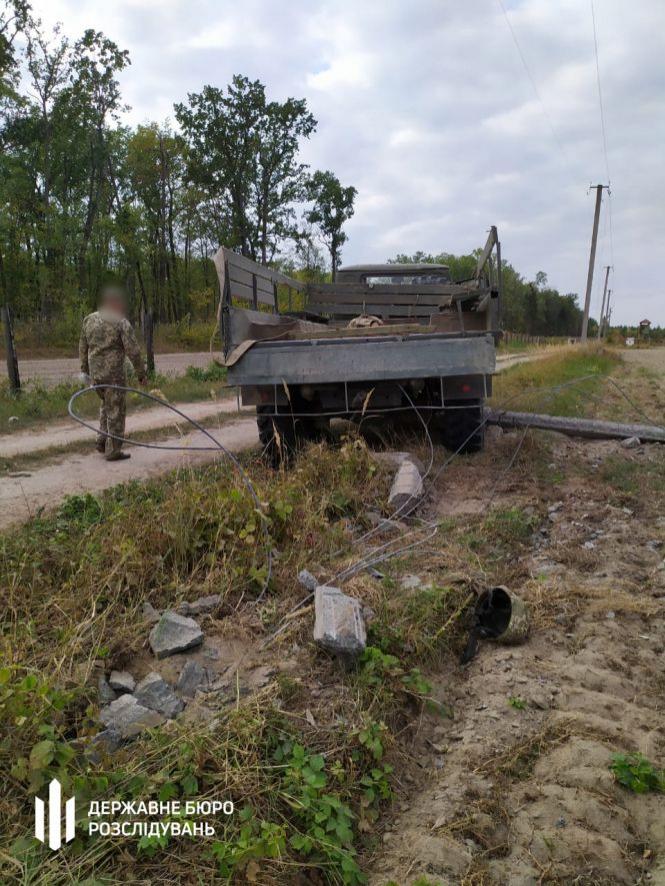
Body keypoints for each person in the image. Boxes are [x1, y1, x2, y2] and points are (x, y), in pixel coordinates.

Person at [79, 286, 147, 461]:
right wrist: (141, 373)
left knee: (105, 405)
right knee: (116, 410)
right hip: (114, 375)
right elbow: (133, 351)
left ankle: (101, 440)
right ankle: (113, 450)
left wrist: (84, 371)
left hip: (96, 375)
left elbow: (83, 348)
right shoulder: (120, 322)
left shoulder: (89, 320)